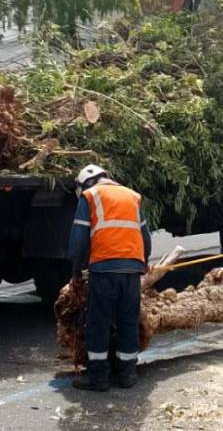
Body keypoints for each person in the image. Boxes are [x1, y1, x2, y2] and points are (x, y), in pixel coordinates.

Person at [69, 165, 153, 392]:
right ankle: (127, 373)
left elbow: (78, 241)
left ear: (84, 184)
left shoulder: (90, 196)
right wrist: (142, 264)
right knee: (128, 320)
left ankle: (99, 377)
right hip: (132, 269)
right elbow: (145, 236)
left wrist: (76, 273)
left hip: (104, 269)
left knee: (99, 322)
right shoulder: (132, 196)